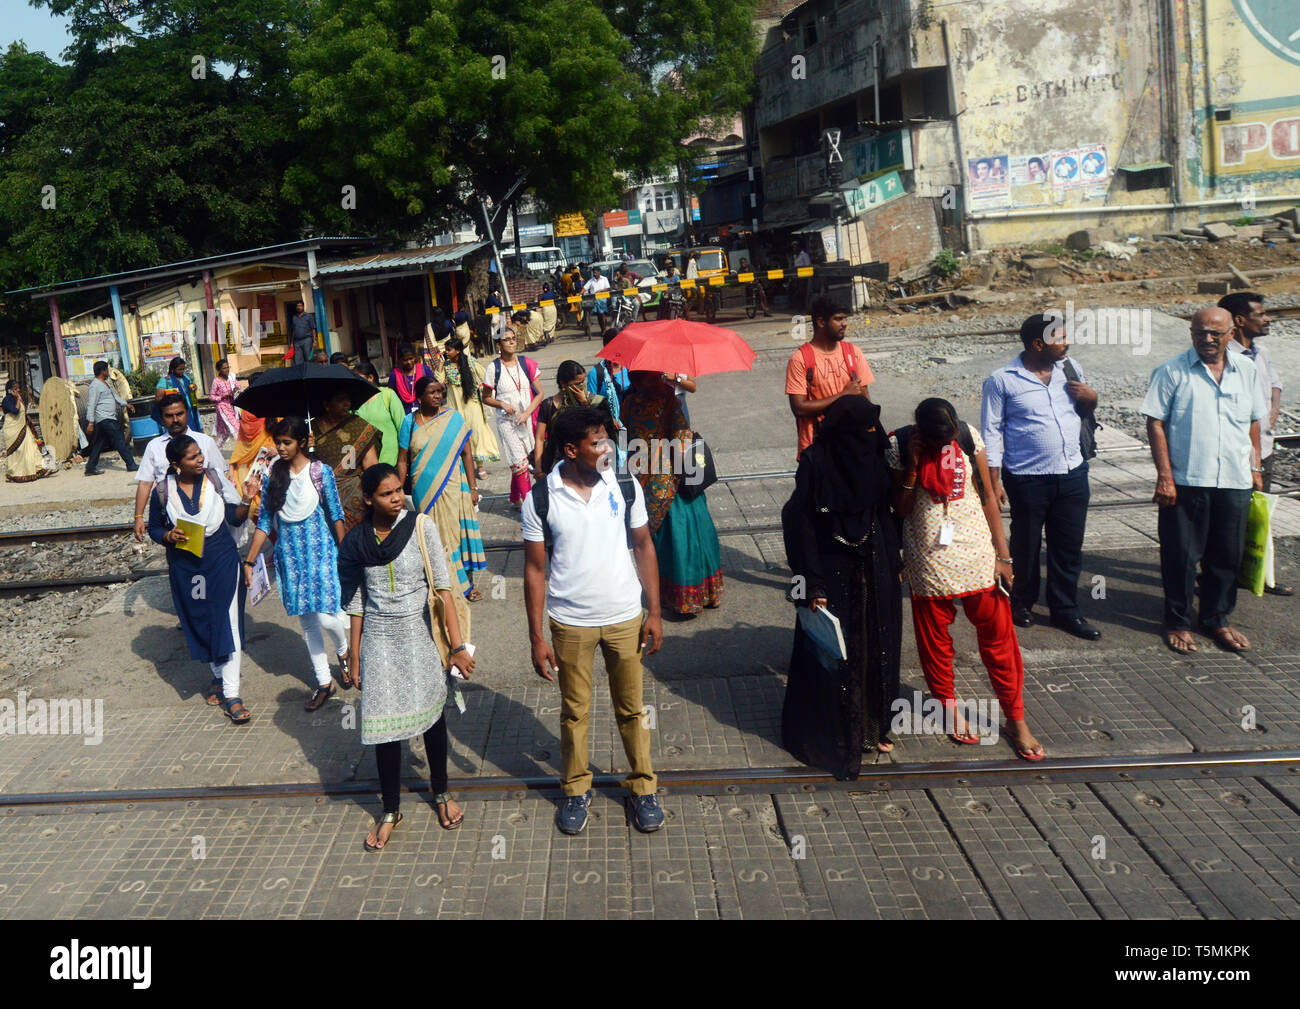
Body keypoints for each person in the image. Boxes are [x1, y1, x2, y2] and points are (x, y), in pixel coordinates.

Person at [522, 406, 665, 835]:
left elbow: (643, 545)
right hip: (569, 624)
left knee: (632, 710)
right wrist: (536, 637)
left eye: (607, 439)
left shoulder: (623, 485)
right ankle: (575, 789)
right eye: (597, 441)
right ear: (571, 449)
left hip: (625, 617)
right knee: (574, 712)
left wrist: (654, 612)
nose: (606, 448)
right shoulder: (541, 497)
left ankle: (642, 787)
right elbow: (534, 569)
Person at [887, 398, 1046, 760]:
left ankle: (1015, 718)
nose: (946, 444)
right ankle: (949, 708)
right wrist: (912, 467)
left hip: (976, 554)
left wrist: (1003, 555)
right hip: (929, 557)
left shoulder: (969, 437)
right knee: (936, 642)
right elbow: (899, 508)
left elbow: (988, 494)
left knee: (1000, 640)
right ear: (921, 433)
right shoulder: (898, 444)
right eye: (938, 440)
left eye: (950, 437)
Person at [338, 464, 476, 846]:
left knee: (432, 717)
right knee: (384, 728)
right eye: (386, 493)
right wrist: (353, 654)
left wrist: (458, 646)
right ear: (368, 499)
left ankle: (442, 792)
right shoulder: (357, 542)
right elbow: (356, 600)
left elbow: (444, 588)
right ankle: (390, 810)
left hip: (420, 637)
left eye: (399, 490)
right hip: (379, 641)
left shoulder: (420, 526)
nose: (397, 498)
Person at [781, 396, 902, 775]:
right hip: (830, 572)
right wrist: (812, 583)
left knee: (878, 647)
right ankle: (836, 733)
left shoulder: (875, 458)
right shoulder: (816, 463)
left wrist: (894, 559)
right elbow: (800, 525)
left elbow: (886, 512)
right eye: (864, 429)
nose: (872, 435)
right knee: (836, 654)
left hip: (876, 565)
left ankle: (873, 726)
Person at [1142, 307, 1265, 654]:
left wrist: (1255, 468)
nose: (1207, 340)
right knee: (1181, 556)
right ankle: (1178, 621)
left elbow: (1253, 422)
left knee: (1226, 557)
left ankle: (1217, 619)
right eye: (1200, 333)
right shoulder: (1171, 371)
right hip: (1185, 481)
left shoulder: (1247, 370)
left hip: (1235, 480)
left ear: (1231, 333)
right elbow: (1156, 423)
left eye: (1215, 333)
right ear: (1191, 333)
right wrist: (1165, 477)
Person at [981, 314, 1101, 639]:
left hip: (1073, 473)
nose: (1066, 343)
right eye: (1059, 338)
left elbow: (1084, 412)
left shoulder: (1071, 368)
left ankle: (1065, 610)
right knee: (1027, 545)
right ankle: (1021, 603)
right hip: (1027, 478)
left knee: (1068, 547)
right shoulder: (1002, 380)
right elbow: (991, 432)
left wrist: (1091, 399)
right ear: (1038, 344)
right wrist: (993, 482)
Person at [243, 416, 351, 710]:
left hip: (322, 552)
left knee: (329, 617)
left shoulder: (320, 472)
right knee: (308, 624)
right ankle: (323, 682)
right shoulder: (272, 475)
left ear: (302, 442)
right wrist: (250, 561)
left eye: (287, 442)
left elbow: (336, 513)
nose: (281, 448)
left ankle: (344, 652)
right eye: (278, 442)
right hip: (289, 557)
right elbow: (264, 522)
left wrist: (346, 552)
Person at [147, 435, 252, 723]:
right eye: (192, 457)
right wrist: (168, 536)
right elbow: (154, 528)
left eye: (199, 454)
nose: (200, 460)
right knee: (202, 620)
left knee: (225, 622)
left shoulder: (215, 481)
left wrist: (247, 498)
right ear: (176, 464)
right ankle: (218, 675)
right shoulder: (162, 491)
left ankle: (232, 695)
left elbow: (236, 517)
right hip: (186, 566)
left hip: (222, 560)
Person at [621, 370, 723, 616]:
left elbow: (628, 437)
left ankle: (669, 595)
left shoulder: (628, 401)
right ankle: (701, 594)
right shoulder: (667, 397)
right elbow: (681, 437)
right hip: (671, 478)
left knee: (659, 538)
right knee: (690, 532)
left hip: (643, 474)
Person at [397, 377, 483, 602]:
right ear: (419, 397)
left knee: (456, 533)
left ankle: (465, 586)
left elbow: (466, 454)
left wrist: (473, 487)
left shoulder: (453, 419)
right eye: (431, 392)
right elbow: (403, 459)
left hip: (454, 486)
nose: (437, 396)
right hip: (423, 490)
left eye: (439, 392)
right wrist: (397, 489)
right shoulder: (409, 422)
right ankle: (439, 585)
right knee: (433, 536)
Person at [785, 296, 873, 459]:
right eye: (838, 319)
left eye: (845, 318)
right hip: (817, 448)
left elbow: (865, 400)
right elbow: (799, 408)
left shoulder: (853, 353)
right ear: (821, 322)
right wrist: (843, 396)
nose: (844, 323)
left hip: (852, 445)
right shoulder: (800, 359)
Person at [134, 395, 224, 541]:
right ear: (162, 418)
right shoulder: (154, 447)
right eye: (169, 416)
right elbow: (145, 482)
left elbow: (221, 477)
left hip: (207, 512)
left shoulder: (205, 442)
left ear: (187, 413)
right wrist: (138, 517)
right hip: (172, 514)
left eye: (179, 414)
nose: (175, 420)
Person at [481, 328, 544, 510]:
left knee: (525, 460)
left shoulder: (526, 364)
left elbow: (540, 394)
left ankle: (514, 496)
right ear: (499, 344)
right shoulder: (493, 368)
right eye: (506, 340)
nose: (511, 342)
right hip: (506, 422)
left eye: (513, 339)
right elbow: (485, 397)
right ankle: (529, 505)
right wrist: (501, 404)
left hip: (526, 420)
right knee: (519, 462)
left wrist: (527, 413)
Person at [311, 391, 381, 533]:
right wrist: (305, 447)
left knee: (357, 540)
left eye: (348, 400)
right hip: (321, 495)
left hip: (355, 497)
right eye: (340, 400)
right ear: (326, 405)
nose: (346, 404)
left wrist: (379, 492)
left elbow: (371, 464)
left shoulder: (359, 426)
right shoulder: (311, 431)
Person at [535, 360, 614, 475]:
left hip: (589, 462)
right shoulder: (548, 405)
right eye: (577, 384)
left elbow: (602, 432)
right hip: (558, 464)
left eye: (583, 382)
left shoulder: (596, 402)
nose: (581, 387)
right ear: (563, 384)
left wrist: (585, 404)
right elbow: (539, 438)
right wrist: (538, 469)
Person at [440, 335, 500, 480]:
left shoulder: (470, 362)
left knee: (476, 432)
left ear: (458, 351)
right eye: (446, 350)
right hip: (456, 405)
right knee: (460, 434)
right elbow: (439, 381)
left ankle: (480, 466)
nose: (446, 352)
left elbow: (486, 377)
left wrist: (481, 390)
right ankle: (464, 467)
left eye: (449, 350)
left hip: (472, 404)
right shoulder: (446, 366)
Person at [84, 361, 137, 476]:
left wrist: (125, 404)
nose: (108, 372)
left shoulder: (106, 383)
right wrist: (91, 422)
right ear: (103, 371)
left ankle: (90, 467)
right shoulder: (95, 386)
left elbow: (114, 396)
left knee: (99, 443)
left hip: (109, 417)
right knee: (119, 440)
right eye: (107, 370)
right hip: (104, 419)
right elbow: (91, 404)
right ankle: (131, 464)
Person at [353, 360, 405, 467]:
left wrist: (403, 459)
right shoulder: (354, 402)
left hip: (391, 461)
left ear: (371, 378)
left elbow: (402, 428)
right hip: (366, 465)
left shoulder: (387, 395)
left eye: (360, 378)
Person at [1, 381, 53, 483]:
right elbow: (15, 411)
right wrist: (18, 400)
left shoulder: (17, 398)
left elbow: (23, 413)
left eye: (18, 388)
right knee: (18, 453)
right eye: (15, 389)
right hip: (13, 431)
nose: (18, 390)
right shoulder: (7, 400)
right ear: (9, 390)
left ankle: (41, 468)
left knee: (32, 448)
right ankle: (17, 473)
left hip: (24, 428)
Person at [153, 356, 201, 432]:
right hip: (174, 411)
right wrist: (171, 392)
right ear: (172, 369)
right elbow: (158, 398)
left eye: (183, 369)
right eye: (179, 369)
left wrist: (194, 387)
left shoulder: (185, 378)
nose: (182, 371)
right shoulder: (165, 381)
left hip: (189, 411)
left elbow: (189, 389)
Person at [388, 341, 437, 416]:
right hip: (405, 414)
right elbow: (390, 396)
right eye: (405, 360)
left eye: (411, 358)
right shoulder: (394, 375)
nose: (409, 362)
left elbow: (435, 389)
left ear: (415, 357)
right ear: (400, 360)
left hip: (426, 412)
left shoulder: (425, 370)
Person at [209, 358, 241, 449]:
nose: (227, 370)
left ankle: (214, 449)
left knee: (225, 433)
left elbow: (239, 387)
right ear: (219, 370)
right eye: (224, 368)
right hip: (223, 407)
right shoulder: (216, 381)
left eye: (228, 367)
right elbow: (211, 396)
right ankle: (241, 449)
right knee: (236, 427)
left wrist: (236, 389)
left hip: (233, 406)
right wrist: (221, 397)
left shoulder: (231, 378)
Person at [581, 265, 611, 333]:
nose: (595, 274)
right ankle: (602, 329)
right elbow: (584, 288)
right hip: (594, 300)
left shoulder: (604, 279)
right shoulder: (591, 281)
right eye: (594, 272)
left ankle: (604, 329)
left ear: (599, 272)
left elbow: (608, 288)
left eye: (596, 272)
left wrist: (600, 291)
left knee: (603, 315)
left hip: (603, 299)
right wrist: (579, 293)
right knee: (599, 316)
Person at [290, 299, 317, 364]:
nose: (299, 307)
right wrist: (291, 342)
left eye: (300, 306)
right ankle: (300, 373)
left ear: (303, 307)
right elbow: (294, 330)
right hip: (297, 341)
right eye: (297, 306)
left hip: (307, 340)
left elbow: (313, 328)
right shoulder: (294, 317)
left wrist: (314, 341)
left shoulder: (308, 316)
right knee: (298, 359)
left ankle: (310, 372)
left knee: (308, 358)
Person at [793, 242, 812, 311]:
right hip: (798, 277)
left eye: (796, 247)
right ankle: (800, 306)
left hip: (804, 277)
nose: (794, 248)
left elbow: (807, 265)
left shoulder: (804, 255)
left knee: (803, 292)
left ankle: (804, 307)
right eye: (794, 247)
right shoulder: (795, 256)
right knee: (798, 292)